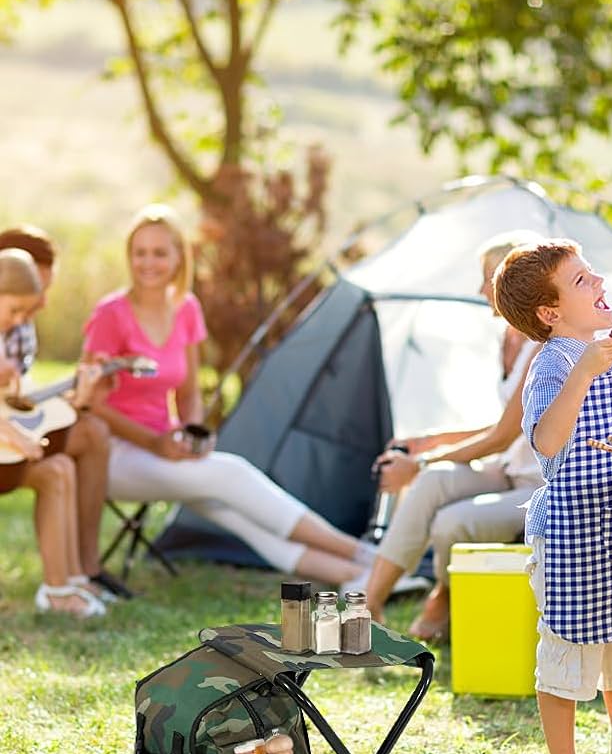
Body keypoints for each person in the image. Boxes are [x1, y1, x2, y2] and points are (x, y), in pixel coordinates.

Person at [81, 203, 375, 588]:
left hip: (166, 450)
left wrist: (191, 434)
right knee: (230, 474)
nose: (147, 263)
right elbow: (88, 402)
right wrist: (154, 443)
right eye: (140, 253)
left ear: (178, 257)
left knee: (227, 506)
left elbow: (188, 393)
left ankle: (356, 576)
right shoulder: (111, 314)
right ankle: (367, 556)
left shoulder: (185, 308)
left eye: (159, 253)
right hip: (112, 456)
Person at [493, 238, 612, 754]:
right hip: (572, 533)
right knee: (566, 655)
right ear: (550, 314)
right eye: (581, 281)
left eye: (594, 275)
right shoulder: (552, 364)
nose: (598, 285)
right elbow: (546, 440)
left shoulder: (606, 350)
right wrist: (582, 376)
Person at [361, 231, 545, 638]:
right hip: (508, 469)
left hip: (538, 485)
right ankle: (371, 601)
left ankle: (444, 596)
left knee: (451, 522)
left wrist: (421, 459)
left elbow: (502, 435)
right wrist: (431, 444)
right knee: (432, 483)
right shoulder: (509, 337)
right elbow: (504, 424)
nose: (481, 289)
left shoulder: (539, 344)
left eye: (489, 277)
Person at [0, 225, 129, 599]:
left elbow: (16, 403)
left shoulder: (19, 324)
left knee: (73, 451)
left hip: (9, 434)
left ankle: (74, 578)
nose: (39, 303)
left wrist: (79, 397)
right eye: (21, 304)